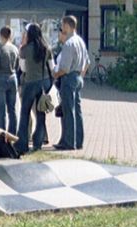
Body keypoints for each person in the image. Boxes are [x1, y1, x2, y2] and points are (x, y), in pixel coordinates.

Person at [13, 23, 53, 155]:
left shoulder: (24, 49)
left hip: (30, 83)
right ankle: (38, 143)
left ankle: (22, 143)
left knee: (25, 113)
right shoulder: (47, 48)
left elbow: (23, 68)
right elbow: (52, 67)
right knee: (41, 114)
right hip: (44, 83)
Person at [52, 15, 90, 150]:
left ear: (67, 26)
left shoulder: (69, 43)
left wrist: (54, 74)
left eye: (62, 26)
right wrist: (81, 76)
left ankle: (68, 142)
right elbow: (87, 62)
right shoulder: (80, 41)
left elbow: (64, 68)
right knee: (77, 111)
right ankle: (78, 141)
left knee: (68, 111)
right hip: (78, 77)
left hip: (68, 78)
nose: (61, 28)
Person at [0, 26, 19, 135]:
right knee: (12, 109)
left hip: (0, 78)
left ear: (0, 35)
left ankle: (1, 134)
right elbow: (17, 66)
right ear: (10, 36)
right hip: (12, 78)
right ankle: (12, 133)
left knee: (1, 110)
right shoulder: (15, 49)